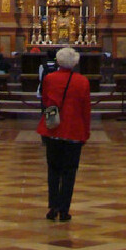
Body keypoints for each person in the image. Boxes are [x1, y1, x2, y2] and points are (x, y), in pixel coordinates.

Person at [37, 46, 91, 222]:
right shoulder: (83, 81)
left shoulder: (50, 79)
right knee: (69, 172)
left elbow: (45, 101)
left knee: (53, 170)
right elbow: (86, 110)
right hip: (74, 132)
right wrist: (86, 133)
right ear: (75, 62)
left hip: (53, 130)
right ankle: (64, 210)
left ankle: (53, 207)